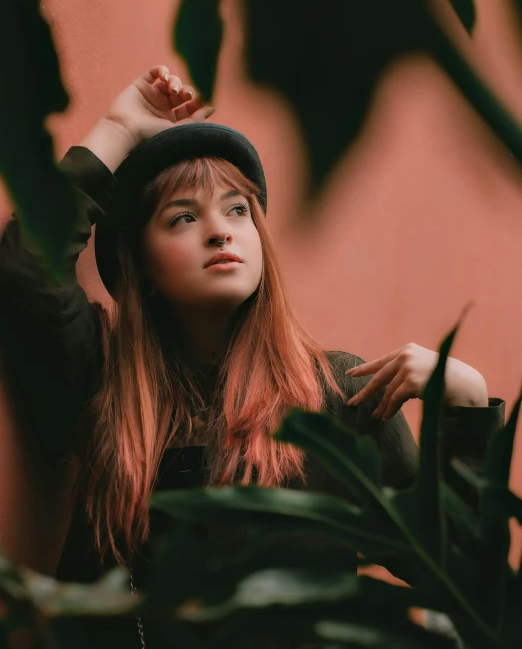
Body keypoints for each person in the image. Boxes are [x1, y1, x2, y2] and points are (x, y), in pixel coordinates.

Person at [0, 66, 504, 647]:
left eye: (237, 210)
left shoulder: (339, 394)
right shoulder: (106, 383)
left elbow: (462, 578)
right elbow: (27, 268)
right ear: (143, 269)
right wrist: (116, 128)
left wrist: (464, 400)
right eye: (184, 218)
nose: (220, 232)